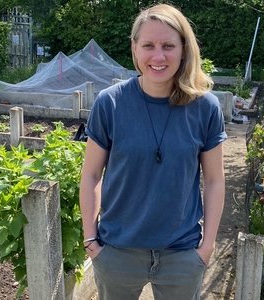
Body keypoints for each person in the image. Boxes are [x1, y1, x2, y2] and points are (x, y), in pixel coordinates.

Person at [79, 3, 227, 300]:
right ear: (135, 48)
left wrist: (207, 246)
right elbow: (92, 174)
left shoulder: (205, 108)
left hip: (182, 255)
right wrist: (91, 240)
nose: (158, 56)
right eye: (148, 45)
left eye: (168, 46)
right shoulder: (110, 103)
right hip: (116, 252)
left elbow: (214, 180)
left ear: (184, 49)